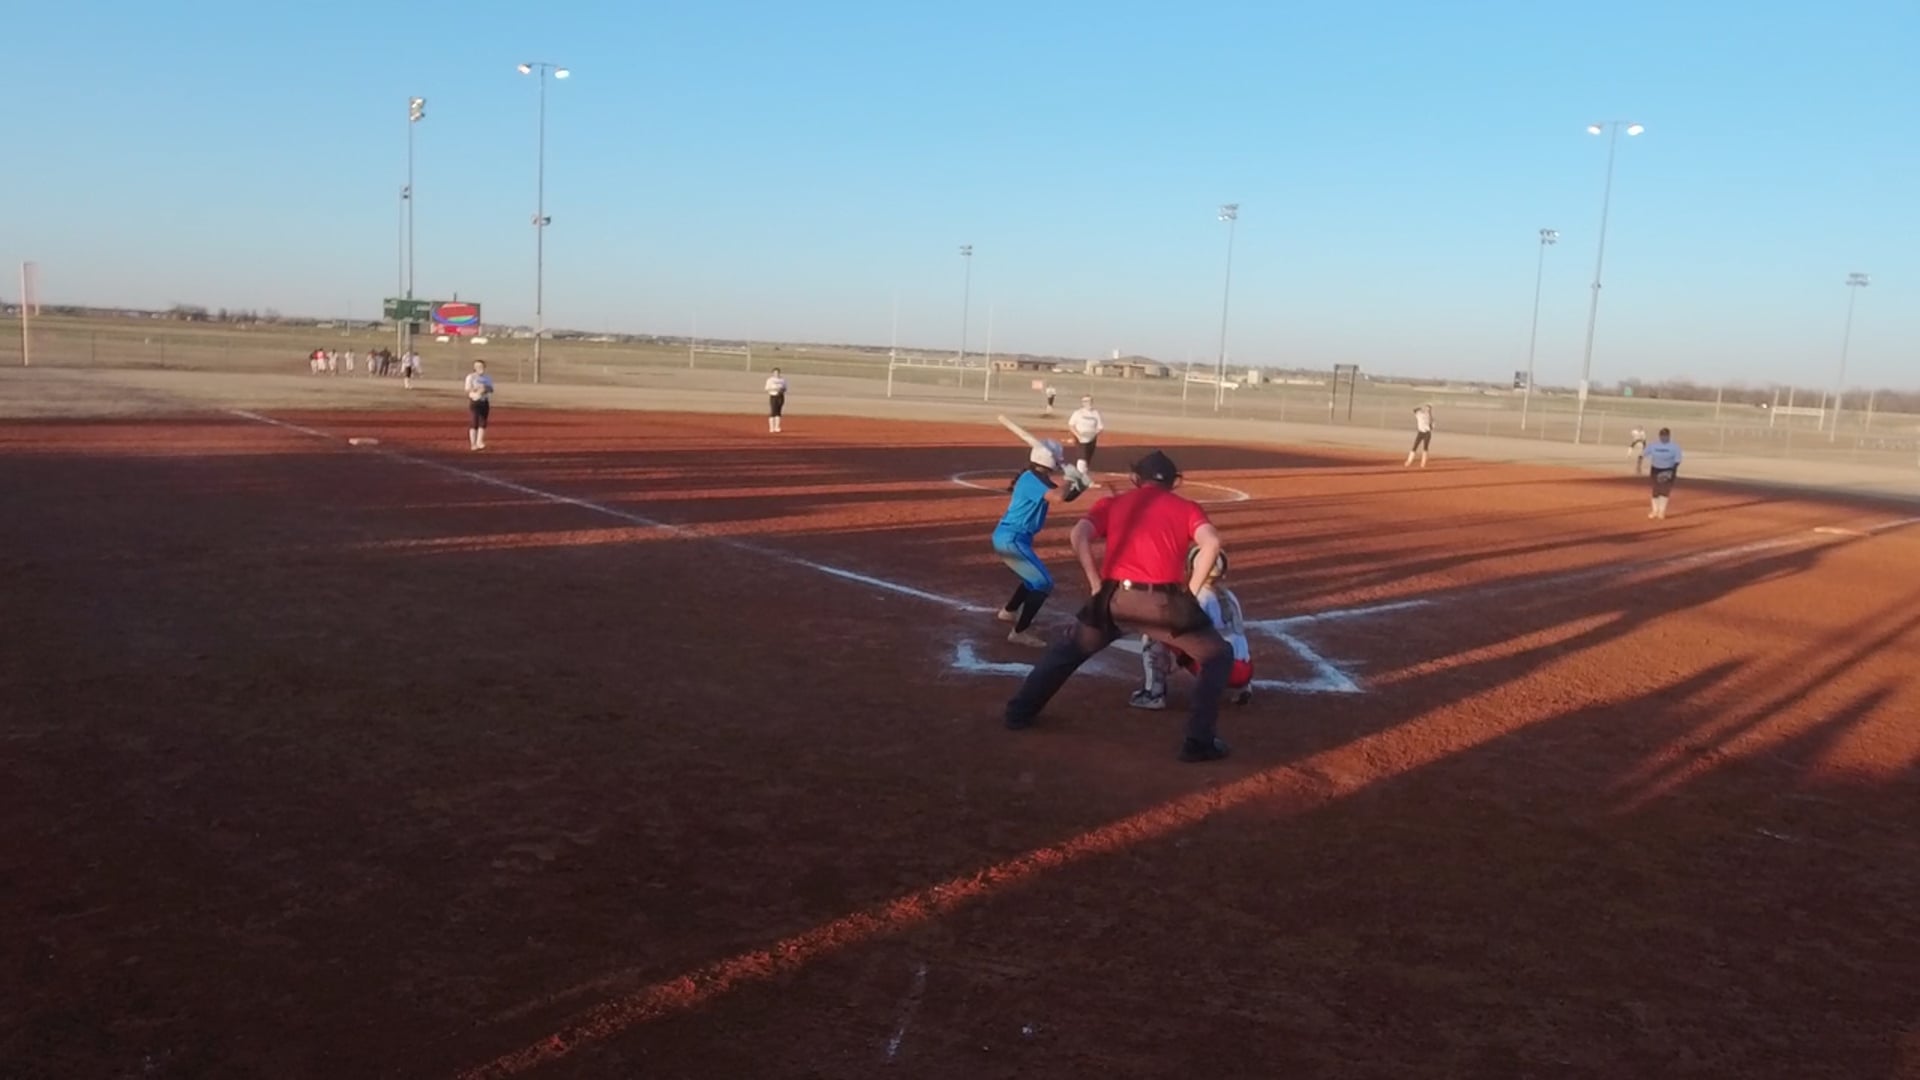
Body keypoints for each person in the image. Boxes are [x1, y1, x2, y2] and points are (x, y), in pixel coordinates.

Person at [1003, 449, 1234, 763]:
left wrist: (1094, 581)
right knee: (1218, 656)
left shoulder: (1112, 504)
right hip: (1163, 603)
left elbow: (1079, 534)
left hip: (1113, 598)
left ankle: (1018, 712)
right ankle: (1198, 741)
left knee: (1067, 652)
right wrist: (1190, 593)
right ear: (1174, 482)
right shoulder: (1187, 507)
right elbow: (1212, 543)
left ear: (1136, 478)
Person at [993, 439, 1090, 647]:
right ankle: (1019, 632)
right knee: (1043, 583)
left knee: (1033, 579)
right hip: (1011, 539)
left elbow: (1066, 496)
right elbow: (1058, 497)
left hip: (1016, 538)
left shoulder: (1037, 478)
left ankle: (1009, 611)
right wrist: (1069, 479)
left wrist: (1080, 485)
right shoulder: (1031, 480)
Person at [1131, 547, 1254, 710]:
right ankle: (1244, 688)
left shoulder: (1199, 597)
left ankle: (1154, 694)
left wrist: (1180, 661)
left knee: (1153, 634)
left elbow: (1186, 633)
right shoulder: (1230, 596)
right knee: (1230, 638)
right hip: (1245, 670)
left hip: (1219, 669)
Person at [1645, 428, 1682, 518]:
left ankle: (1662, 511)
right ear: (1659, 436)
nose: (1664, 437)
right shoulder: (1653, 445)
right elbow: (1644, 454)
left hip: (1668, 469)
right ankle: (1655, 510)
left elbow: (1677, 460)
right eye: (1662, 435)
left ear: (1669, 436)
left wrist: (1671, 471)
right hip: (1655, 469)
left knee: (1665, 491)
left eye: (1665, 436)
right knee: (1656, 490)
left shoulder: (1674, 447)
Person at [1066, 395, 1105, 481]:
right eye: (1085, 401)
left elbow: (1100, 427)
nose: (1088, 403)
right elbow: (1071, 425)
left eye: (1090, 401)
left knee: (1087, 459)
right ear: (1082, 403)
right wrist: (1078, 436)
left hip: (1092, 439)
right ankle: (1080, 479)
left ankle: (1083, 477)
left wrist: (1093, 434)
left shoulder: (1096, 413)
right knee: (1082, 458)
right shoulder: (1078, 413)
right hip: (1081, 438)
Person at [464, 359, 495, 451]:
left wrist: (485, 388)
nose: (480, 368)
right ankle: (473, 444)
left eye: (481, 366)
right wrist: (476, 389)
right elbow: (467, 389)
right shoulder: (471, 377)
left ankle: (479, 441)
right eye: (477, 366)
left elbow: (491, 389)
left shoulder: (487, 377)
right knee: (474, 422)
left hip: (484, 401)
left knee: (483, 422)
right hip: (475, 401)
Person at [765, 368, 789, 433]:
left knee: (778, 412)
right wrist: (775, 389)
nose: (776, 374)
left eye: (778, 372)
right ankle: (771, 427)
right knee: (773, 411)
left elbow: (785, 388)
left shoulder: (782, 380)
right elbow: (767, 388)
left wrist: (781, 390)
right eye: (775, 372)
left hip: (780, 396)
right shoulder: (770, 380)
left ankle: (777, 427)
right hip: (773, 396)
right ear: (773, 373)